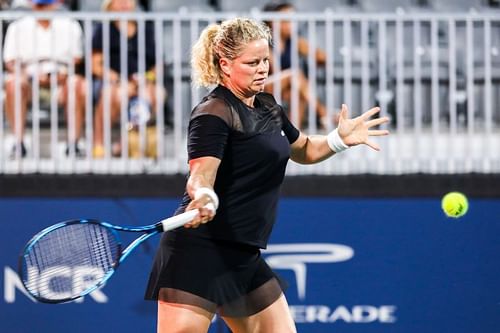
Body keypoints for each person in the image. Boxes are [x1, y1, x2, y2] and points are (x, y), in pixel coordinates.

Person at [144, 17, 389, 332]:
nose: (262, 69)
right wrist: (203, 196)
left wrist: (338, 140)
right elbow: (201, 173)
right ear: (225, 65)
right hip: (198, 251)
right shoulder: (213, 114)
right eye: (251, 63)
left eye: (265, 61)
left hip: (242, 252)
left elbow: (303, 150)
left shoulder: (269, 106)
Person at [3, 0, 86, 157]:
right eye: (40, 4)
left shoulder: (70, 25)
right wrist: (29, 75)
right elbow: (10, 62)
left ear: (56, 4)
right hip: (28, 82)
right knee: (13, 83)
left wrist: (62, 75)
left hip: (61, 82)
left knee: (77, 83)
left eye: (47, 4)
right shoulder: (17, 26)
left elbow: (76, 59)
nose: (43, 8)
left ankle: (73, 144)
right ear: (31, 4)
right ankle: (18, 143)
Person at [91, 0, 163, 158]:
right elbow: (95, 64)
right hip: (112, 81)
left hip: (142, 81)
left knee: (155, 94)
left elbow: (158, 65)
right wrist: (118, 79)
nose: (124, 4)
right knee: (114, 94)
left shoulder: (145, 29)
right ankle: (99, 144)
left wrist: (146, 78)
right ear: (110, 6)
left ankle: (130, 145)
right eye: (119, 1)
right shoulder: (103, 30)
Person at [263, 1, 333, 130]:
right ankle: (323, 113)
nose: (291, 25)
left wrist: (316, 59)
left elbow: (323, 57)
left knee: (298, 91)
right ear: (272, 21)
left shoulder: (295, 41)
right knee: (294, 75)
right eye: (286, 20)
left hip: (284, 86)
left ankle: (293, 134)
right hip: (263, 86)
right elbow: (273, 70)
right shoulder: (264, 42)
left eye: (293, 20)